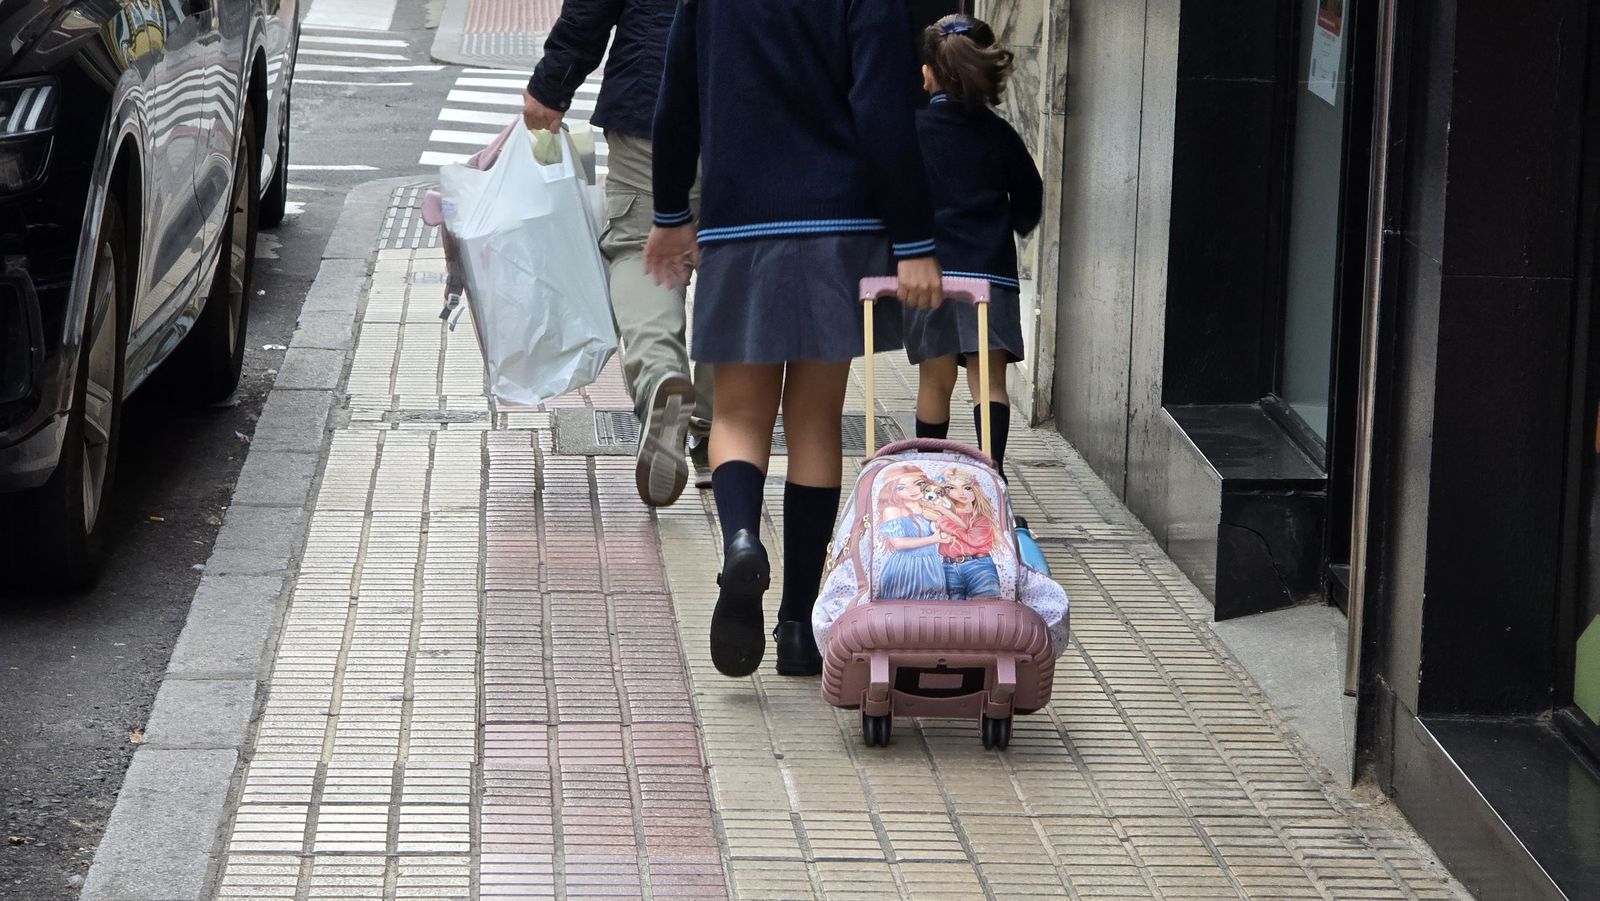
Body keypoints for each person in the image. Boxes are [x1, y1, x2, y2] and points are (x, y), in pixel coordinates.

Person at [645, 0, 943, 678]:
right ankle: (800, 627)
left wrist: (668, 211)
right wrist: (916, 239)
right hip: (837, 222)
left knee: (738, 415)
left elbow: (677, 97)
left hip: (738, 221)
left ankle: (743, 539)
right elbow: (882, 110)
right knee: (812, 422)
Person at [522, 0, 713, 506]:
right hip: (760, 105)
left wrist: (550, 86)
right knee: (733, 259)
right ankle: (722, 430)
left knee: (639, 248)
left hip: (651, 91)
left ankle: (661, 379)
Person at [902, 14, 1044, 481]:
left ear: (929, 73)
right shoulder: (999, 135)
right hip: (991, 273)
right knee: (989, 382)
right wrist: (1015, 222)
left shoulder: (915, 132)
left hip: (931, 274)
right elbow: (1030, 198)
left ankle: (931, 483)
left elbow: (896, 196)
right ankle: (992, 479)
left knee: (935, 380)